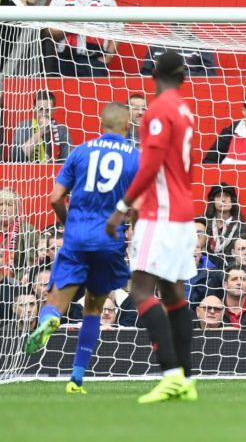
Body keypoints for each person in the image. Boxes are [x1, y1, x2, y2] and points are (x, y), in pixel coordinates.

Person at [22, 103, 140, 394]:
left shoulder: (80, 152)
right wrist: (131, 231)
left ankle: (49, 319)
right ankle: (76, 377)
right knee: (94, 307)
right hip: (109, 239)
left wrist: (68, 225)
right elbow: (137, 206)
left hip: (77, 236)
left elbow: (54, 198)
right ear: (127, 126)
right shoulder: (136, 158)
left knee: (56, 297)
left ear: (101, 124)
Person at [105, 52, 199, 403]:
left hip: (160, 215)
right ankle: (187, 380)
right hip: (183, 213)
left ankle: (170, 374)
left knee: (141, 290)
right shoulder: (187, 111)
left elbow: (151, 165)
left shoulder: (158, 111)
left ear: (154, 74)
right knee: (174, 296)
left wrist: (121, 207)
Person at [45, 0, 121, 77]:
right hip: (64, 62)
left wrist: (107, 58)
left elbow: (117, 30)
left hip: (95, 62)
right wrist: (72, 26)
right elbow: (48, 32)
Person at [12, 90, 72, 163]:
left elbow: (67, 161)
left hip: (53, 173)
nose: (43, 113)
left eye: (47, 110)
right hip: (28, 172)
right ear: (34, 109)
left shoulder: (61, 130)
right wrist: (41, 131)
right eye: (40, 109)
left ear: (54, 111)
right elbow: (16, 157)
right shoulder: (24, 126)